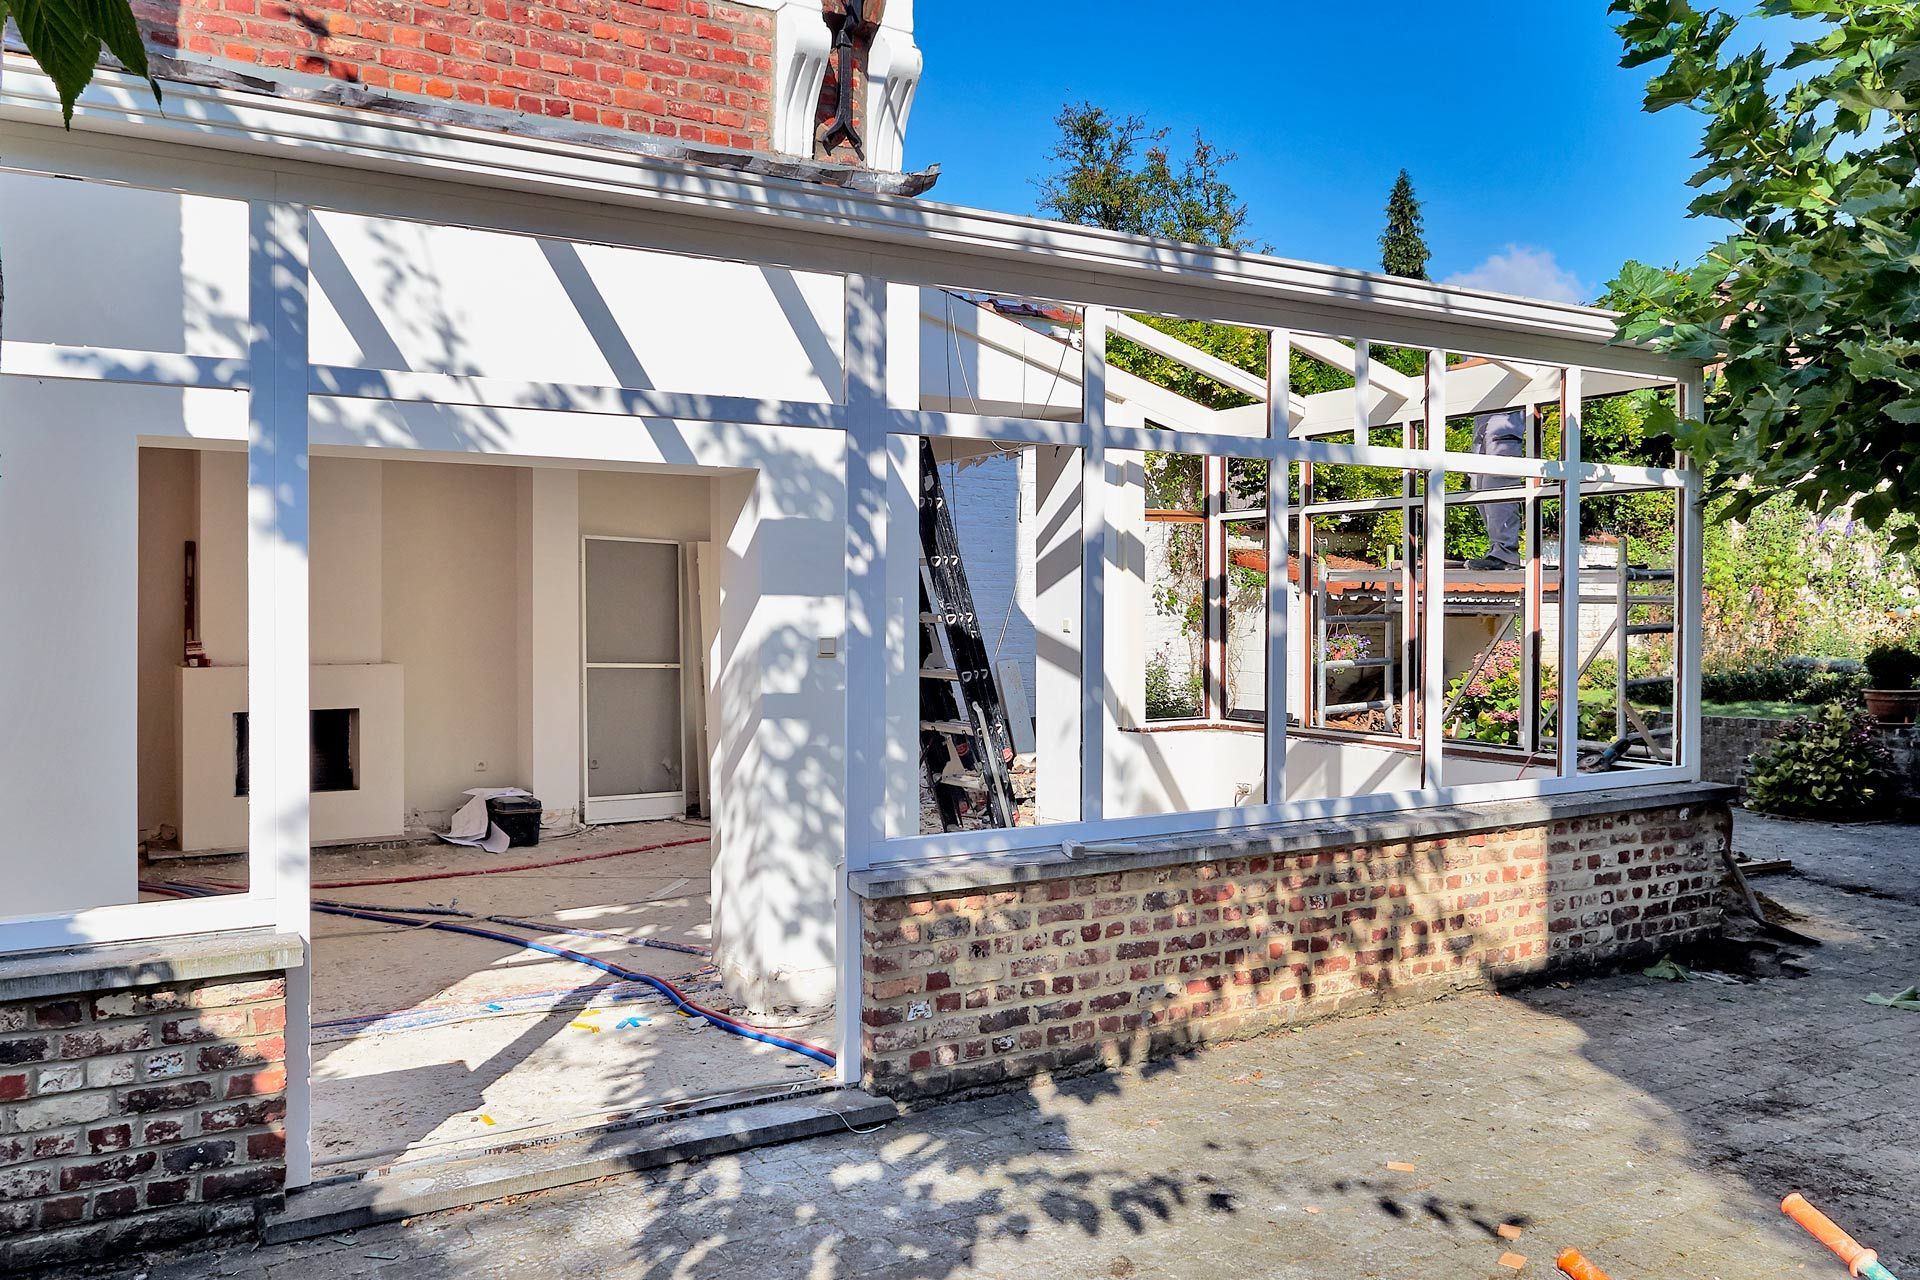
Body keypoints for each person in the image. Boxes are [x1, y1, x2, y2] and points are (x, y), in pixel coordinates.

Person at [1467, 408, 1525, 571]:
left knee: (1498, 477)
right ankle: (1500, 549)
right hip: (1485, 408)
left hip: (1508, 408)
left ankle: (1505, 551)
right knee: (1477, 482)